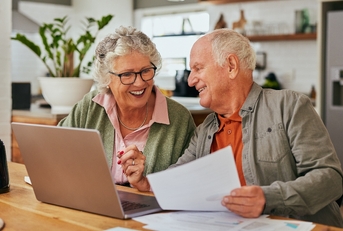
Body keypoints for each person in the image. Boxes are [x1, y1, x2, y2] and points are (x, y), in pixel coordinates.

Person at [169, 28, 343, 227]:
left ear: (231, 66)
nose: (191, 80)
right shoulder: (205, 130)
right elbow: (176, 180)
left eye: (198, 68)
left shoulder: (289, 106)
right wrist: (145, 181)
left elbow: (330, 179)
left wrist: (267, 198)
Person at [58, 26, 196, 192]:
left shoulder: (179, 118)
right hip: (91, 206)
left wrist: (145, 182)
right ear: (106, 78)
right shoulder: (90, 106)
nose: (139, 83)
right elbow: (55, 152)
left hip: (153, 214)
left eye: (146, 71)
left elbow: (190, 183)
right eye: (127, 75)